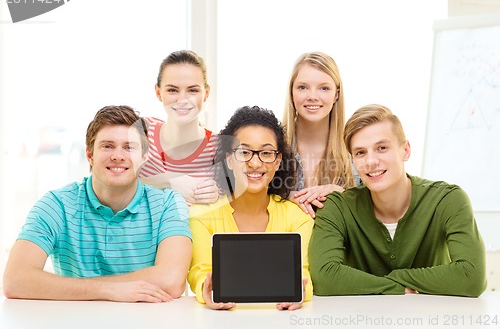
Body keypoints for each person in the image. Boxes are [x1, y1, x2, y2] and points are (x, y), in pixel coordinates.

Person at [3, 105, 192, 302]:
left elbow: (171, 281)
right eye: (107, 146)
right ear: (90, 154)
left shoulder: (168, 205)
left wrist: (83, 287)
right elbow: (16, 280)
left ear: (144, 157)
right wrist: (109, 291)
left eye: (129, 147)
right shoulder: (56, 205)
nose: (118, 155)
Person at [309, 104, 487, 297]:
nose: (370, 161)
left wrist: (394, 278)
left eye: (382, 148)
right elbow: (324, 278)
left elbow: (472, 276)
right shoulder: (336, 207)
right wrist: (398, 288)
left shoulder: (448, 200)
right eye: (360, 152)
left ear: (406, 150)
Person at [188, 106, 314, 310]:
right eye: (244, 152)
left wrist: (301, 290)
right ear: (229, 158)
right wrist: (207, 287)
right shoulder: (201, 215)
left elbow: (304, 274)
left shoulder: (298, 217)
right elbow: (200, 271)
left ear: (278, 161)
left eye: (266, 153)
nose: (255, 163)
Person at [140, 50, 219, 205]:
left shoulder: (218, 149)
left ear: (206, 93)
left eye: (193, 90)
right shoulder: (142, 132)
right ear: (158, 92)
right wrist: (167, 181)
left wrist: (219, 197)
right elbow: (113, 184)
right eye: (172, 90)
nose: (182, 99)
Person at [282, 51, 356, 218]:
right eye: (302, 87)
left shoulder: (353, 146)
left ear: (336, 94)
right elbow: (248, 196)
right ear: (292, 92)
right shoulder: (272, 143)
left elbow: (373, 205)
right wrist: (284, 197)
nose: (313, 97)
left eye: (324, 88)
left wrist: (341, 193)